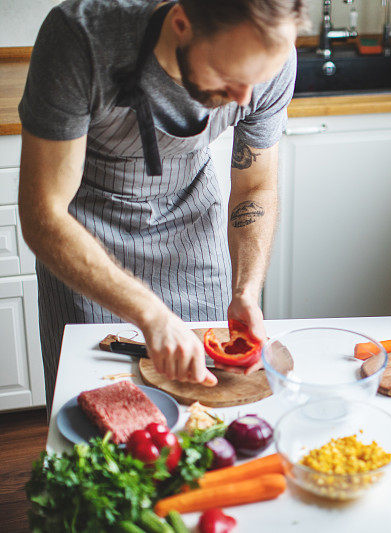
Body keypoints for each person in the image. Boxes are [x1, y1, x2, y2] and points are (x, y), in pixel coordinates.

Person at [17, 0, 308, 410]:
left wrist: (246, 290)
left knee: (206, 409)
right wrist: (150, 315)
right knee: (97, 406)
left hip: (192, 229)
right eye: (229, 74)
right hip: (84, 233)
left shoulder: (272, 57)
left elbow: (255, 187)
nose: (244, 98)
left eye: (255, 80)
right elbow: (43, 213)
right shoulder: (80, 38)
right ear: (181, 23)